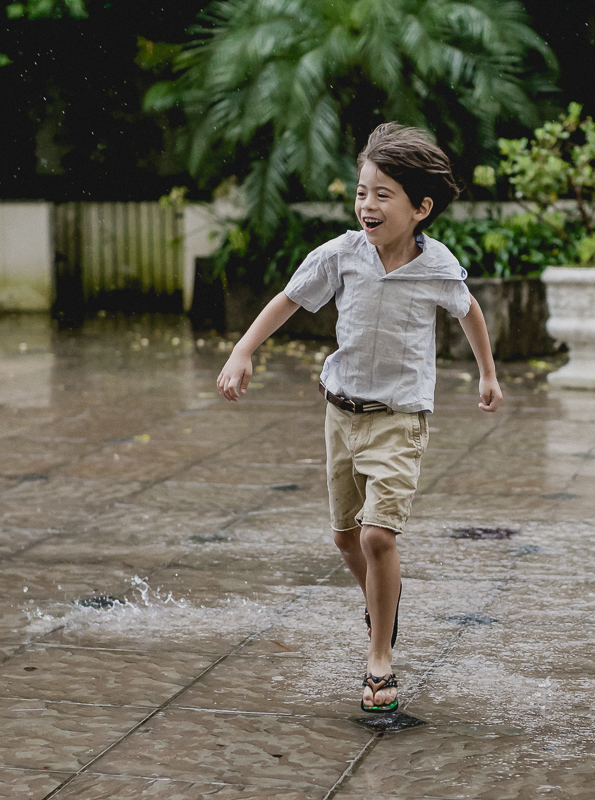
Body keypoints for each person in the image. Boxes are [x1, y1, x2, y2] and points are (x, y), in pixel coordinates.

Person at [216, 123, 503, 713]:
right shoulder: (342, 255)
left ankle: (379, 659)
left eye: (382, 195)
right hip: (340, 413)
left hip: (399, 418)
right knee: (346, 537)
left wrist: (487, 374)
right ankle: (383, 603)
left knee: (377, 535)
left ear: (421, 208)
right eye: (361, 192)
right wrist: (243, 351)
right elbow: (288, 300)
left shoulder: (436, 266)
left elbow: (468, 310)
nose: (367, 204)